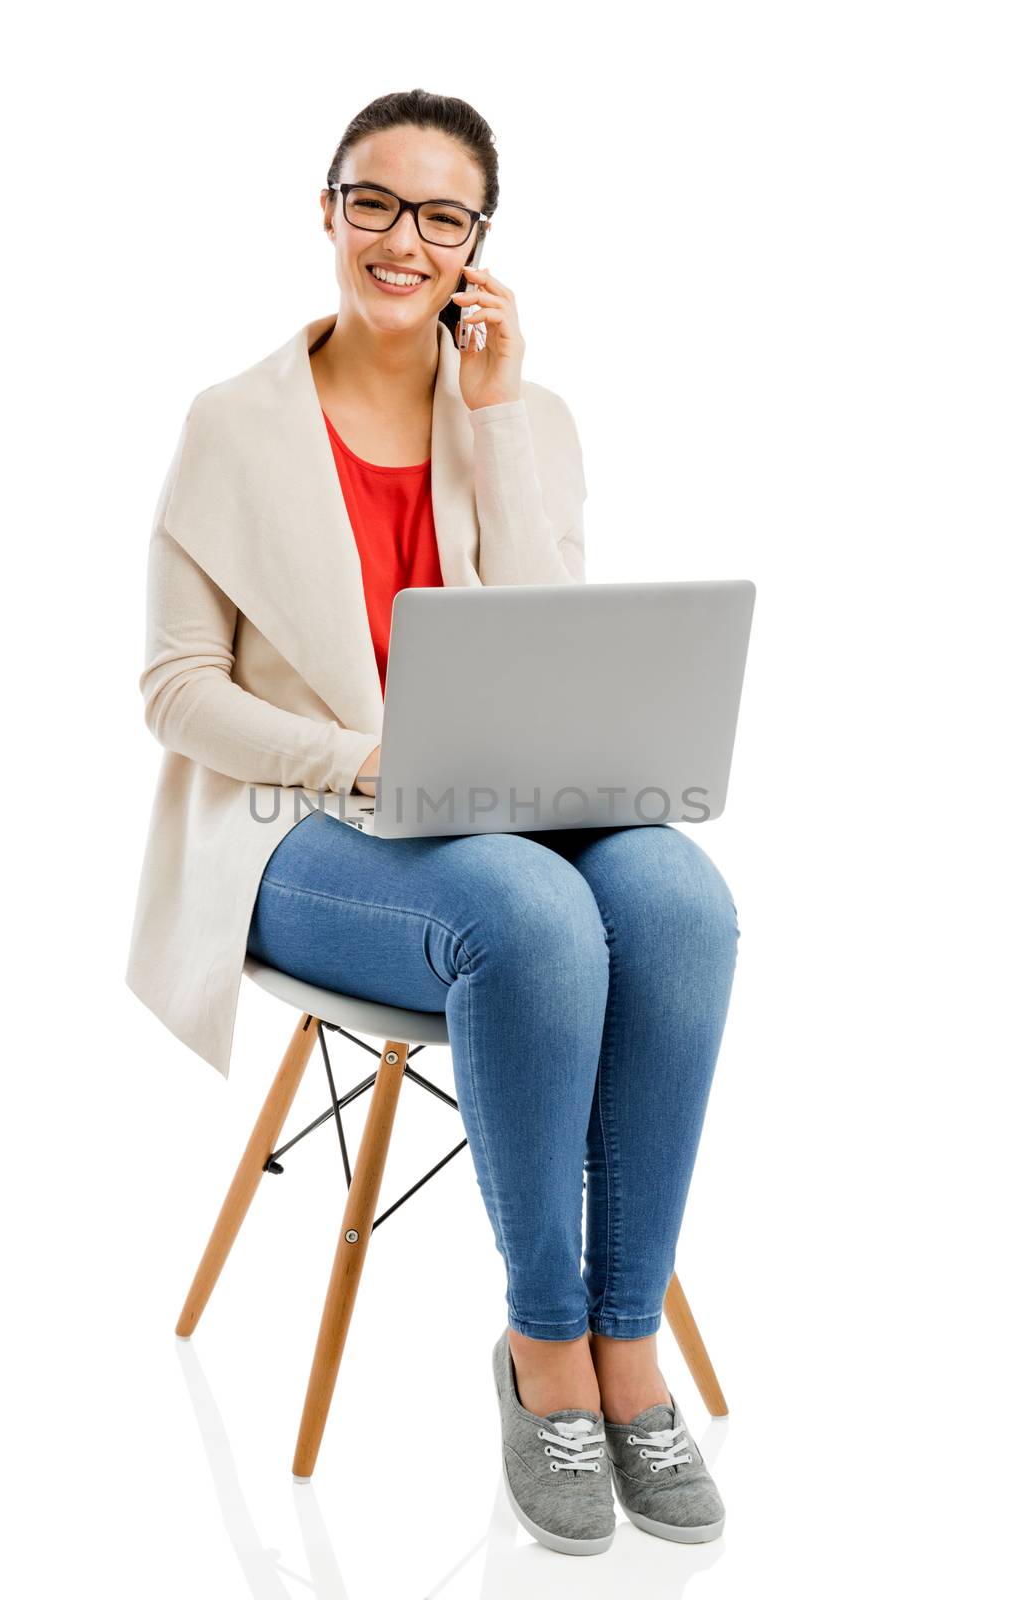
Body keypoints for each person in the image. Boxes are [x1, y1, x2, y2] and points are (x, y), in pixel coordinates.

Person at [130, 88, 740, 1556]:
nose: (404, 240)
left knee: (676, 900)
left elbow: (547, 650)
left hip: (505, 804)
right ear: (328, 211)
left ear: (479, 245)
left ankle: (626, 1340)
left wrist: (499, 424)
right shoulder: (232, 423)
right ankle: (548, 1355)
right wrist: (363, 760)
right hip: (299, 829)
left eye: (442, 215)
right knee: (530, 923)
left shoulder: (522, 418)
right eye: (375, 203)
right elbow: (173, 691)